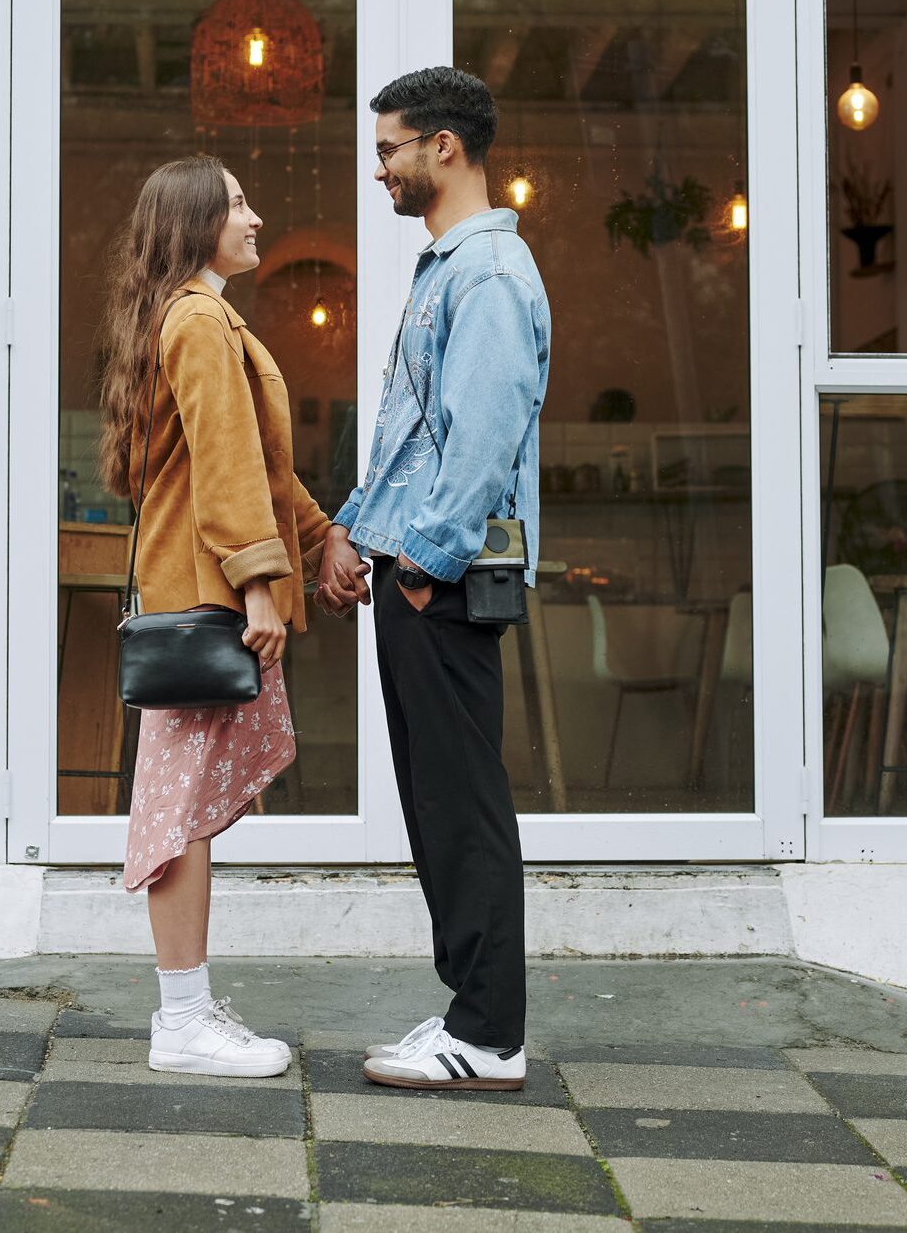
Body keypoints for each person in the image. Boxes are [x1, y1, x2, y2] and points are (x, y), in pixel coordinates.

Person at [317, 67, 551, 1092]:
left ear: (444, 147)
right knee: (438, 800)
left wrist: (421, 561)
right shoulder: (447, 267)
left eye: (390, 150)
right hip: (419, 569)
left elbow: (483, 438)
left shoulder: (489, 274)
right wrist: (353, 531)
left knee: (463, 806)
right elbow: (415, 437)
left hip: (442, 580)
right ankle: (469, 1012)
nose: (380, 169)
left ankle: (490, 1033)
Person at [97, 154, 332, 1078]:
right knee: (177, 815)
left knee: (182, 810)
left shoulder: (200, 315)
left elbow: (258, 467)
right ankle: (182, 1020)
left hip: (198, 587)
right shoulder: (197, 319)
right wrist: (264, 583)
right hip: (204, 598)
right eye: (238, 203)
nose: (257, 217)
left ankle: (187, 1007)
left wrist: (322, 538)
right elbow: (232, 474)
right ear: (197, 221)